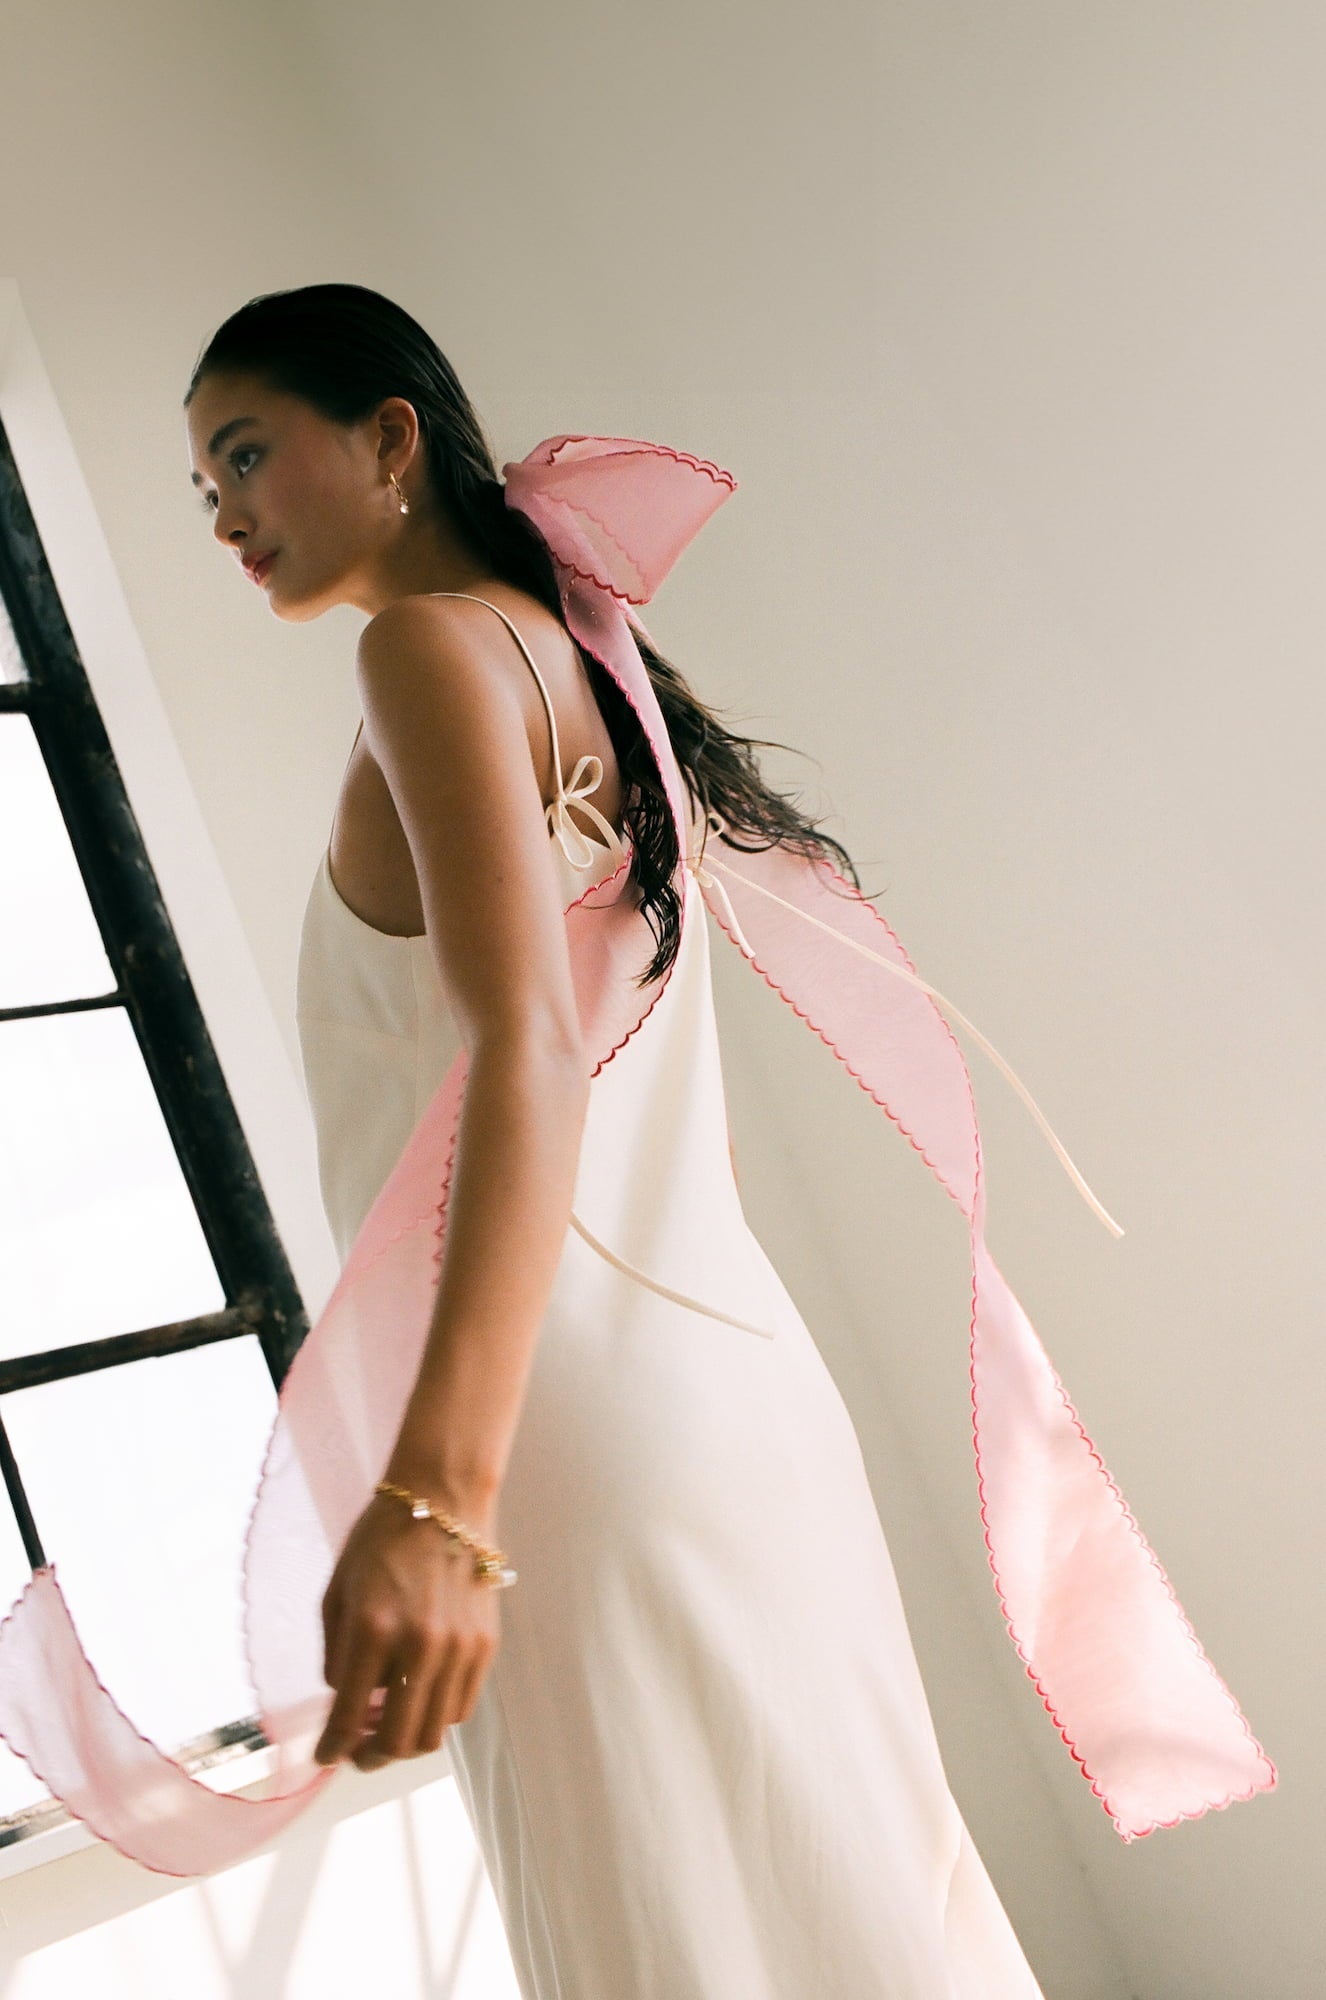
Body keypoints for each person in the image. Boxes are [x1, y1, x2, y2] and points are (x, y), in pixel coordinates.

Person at [181, 282, 1050, 1994]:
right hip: (736, 1406)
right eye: (199, 487)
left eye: (242, 453)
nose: (221, 512)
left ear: (389, 439)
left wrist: (437, 1499)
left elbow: (531, 1055)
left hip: (555, 1442)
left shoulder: (425, 648)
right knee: (848, 1916)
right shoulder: (577, 656)